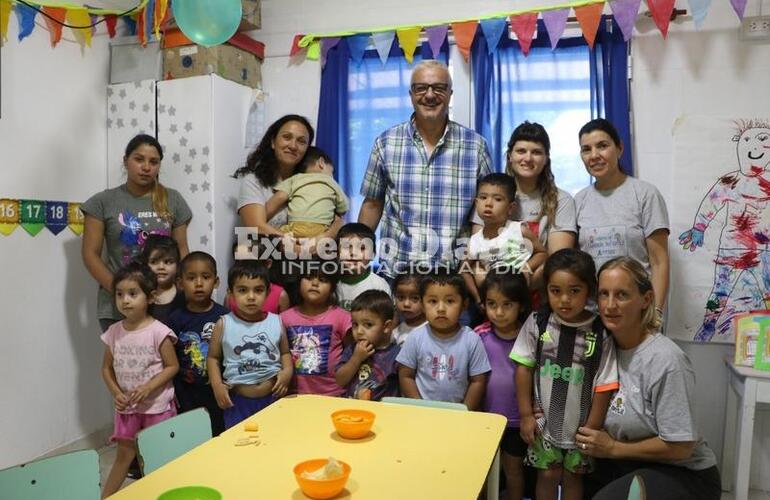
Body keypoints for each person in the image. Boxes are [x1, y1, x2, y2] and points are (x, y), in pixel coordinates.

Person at [576, 257, 721, 500]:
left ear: (646, 300)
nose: (610, 305)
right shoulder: (601, 348)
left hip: (682, 473)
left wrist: (613, 448)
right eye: (603, 294)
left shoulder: (666, 360)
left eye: (622, 295)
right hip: (623, 465)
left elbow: (681, 447)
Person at [358, 60, 493, 279]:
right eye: (421, 88)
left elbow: (487, 210)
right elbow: (373, 204)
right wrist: (357, 254)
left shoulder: (475, 146)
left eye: (439, 88)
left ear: (450, 94)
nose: (429, 95)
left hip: (454, 278)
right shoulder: (386, 142)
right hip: (397, 276)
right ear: (411, 94)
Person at [511, 249, 618, 500]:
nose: (564, 299)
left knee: (573, 478)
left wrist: (592, 428)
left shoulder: (599, 331)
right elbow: (523, 368)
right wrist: (526, 415)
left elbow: (604, 384)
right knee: (546, 475)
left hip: (581, 427)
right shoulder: (538, 322)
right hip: (542, 421)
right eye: (556, 291)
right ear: (546, 290)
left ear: (589, 290)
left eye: (574, 290)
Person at [82, 134, 192, 331]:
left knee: (169, 361)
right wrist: (121, 291)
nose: (146, 167)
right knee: (125, 362)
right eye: (139, 159)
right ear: (126, 161)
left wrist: (182, 291)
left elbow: (182, 250)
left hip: (165, 304)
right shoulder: (102, 202)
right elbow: (90, 255)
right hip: (120, 308)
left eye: (153, 162)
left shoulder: (173, 199)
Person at [100, 262, 179, 498]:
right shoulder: (114, 331)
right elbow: (105, 369)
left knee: (158, 457)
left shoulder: (159, 331)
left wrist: (149, 387)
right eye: (120, 294)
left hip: (157, 408)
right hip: (128, 409)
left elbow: (172, 366)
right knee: (124, 456)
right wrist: (116, 394)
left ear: (151, 297)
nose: (125, 300)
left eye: (133, 294)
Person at [574, 118, 669, 313]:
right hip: (593, 315)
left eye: (602, 146)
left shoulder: (645, 194)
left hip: (637, 312)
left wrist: (655, 314)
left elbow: (659, 262)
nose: (594, 155)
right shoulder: (579, 201)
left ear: (619, 148)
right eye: (586, 149)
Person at [207, 260, 293, 429]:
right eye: (243, 290)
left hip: (273, 399)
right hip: (238, 402)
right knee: (240, 445)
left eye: (258, 290)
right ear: (230, 293)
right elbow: (212, 358)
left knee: (273, 443)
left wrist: (287, 372)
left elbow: (285, 354)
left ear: (268, 293)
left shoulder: (276, 322)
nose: (251, 297)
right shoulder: (224, 324)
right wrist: (217, 386)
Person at [474, 271, 532, 500]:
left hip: (517, 421)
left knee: (514, 471)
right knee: (482, 469)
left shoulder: (530, 335)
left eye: (507, 304)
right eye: (492, 304)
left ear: (521, 305)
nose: (498, 312)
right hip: (485, 418)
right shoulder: (479, 335)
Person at [396, 272, 491, 409]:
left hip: (458, 416)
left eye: (450, 301)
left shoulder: (472, 340)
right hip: (422, 414)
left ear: (464, 305)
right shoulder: (416, 338)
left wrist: (465, 412)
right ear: (423, 305)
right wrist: (419, 406)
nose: (441, 309)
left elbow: (478, 381)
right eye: (433, 301)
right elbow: (405, 376)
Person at [166, 252, 229, 436]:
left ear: (216, 282)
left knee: (219, 434)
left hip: (218, 389)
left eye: (206, 277)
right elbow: (169, 358)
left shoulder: (225, 316)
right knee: (192, 437)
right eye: (191, 278)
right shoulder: (175, 320)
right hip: (187, 392)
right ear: (180, 283)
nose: (199, 283)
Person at [464, 173, 547, 305]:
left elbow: (542, 253)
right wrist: (478, 298)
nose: (488, 204)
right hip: (495, 295)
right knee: (478, 272)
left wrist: (526, 269)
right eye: (483, 197)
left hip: (522, 289)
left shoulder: (518, 230)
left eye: (497, 199)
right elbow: (464, 269)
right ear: (476, 202)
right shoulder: (474, 241)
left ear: (510, 208)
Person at [280, 261, 352, 396]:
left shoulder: (342, 317)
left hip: (334, 395)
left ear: (332, 287)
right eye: (308, 278)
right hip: (295, 396)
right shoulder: (284, 318)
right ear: (299, 282)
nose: (314, 283)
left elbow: (350, 354)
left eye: (323, 280)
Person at [264, 146, 349, 239]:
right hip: (320, 230)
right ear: (321, 163)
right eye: (332, 171)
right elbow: (344, 207)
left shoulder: (295, 179)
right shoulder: (330, 181)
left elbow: (279, 197)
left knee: (276, 237)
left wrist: (260, 218)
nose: (332, 175)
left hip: (295, 227)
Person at [335, 290, 400, 400]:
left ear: (387, 326)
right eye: (355, 324)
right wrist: (356, 359)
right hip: (353, 409)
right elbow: (340, 381)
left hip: (383, 412)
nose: (359, 331)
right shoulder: (352, 350)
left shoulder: (397, 354)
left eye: (368, 325)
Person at [336, 223, 392, 311]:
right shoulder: (330, 283)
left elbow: (389, 316)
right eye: (347, 247)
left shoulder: (379, 285)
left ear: (373, 254)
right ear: (337, 253)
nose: (353, 253)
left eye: (362, 248)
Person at [229, 239, 290, 314]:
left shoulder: (280, 296)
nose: (245, 268)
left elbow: (283, 323)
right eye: (239, 262)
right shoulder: (231, 295)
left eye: (252, 263)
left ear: (267, 264)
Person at [139, 234, 185, 326]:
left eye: (168, 262)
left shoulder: (184, 294)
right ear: (145, 265)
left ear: (177, 265)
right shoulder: (141, 295)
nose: (161, 267)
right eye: (154, 262)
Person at [391, 273, 427, 346]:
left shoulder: (430, 331)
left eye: (415, 298)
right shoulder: (399, 328)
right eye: (401, 297)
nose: (406, 304)